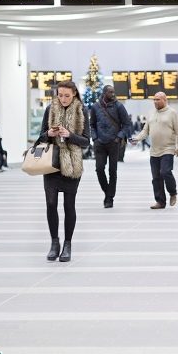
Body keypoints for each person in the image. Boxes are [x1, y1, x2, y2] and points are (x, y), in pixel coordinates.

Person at [38, 80, 91, 263]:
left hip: (72, 163)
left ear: (74, 94)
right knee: (51, 203)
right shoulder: (50, 109)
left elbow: (86, 141)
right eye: (60, 95)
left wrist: (69, 135)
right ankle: (54, 243)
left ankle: (68, 244)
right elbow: (41, 136)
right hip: (51, 162)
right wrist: (49, 135)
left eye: (67, 95)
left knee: (69, 205)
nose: (63, 99)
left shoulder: (81, 111)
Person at [131, 91, 178, 210]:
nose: (155, 101)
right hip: (154, 150)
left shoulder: (172, 113)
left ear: (165, 100)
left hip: (168, 148)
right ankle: (160, 201)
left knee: (165, 172)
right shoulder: (150, 113)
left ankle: (172, 192)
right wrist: (137, 138)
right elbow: (146, 130)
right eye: (154, 99)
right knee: (156, 177)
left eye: (158, 99)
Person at [89, 85, 130, 208]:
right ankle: (107, 192)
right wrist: (95, 138)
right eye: (110, 92)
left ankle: (109, 198)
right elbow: (92, 124)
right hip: (100, 143)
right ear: (104, 93)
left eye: (113, 92)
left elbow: (126, 124)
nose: (112, 95)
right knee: (99, 169)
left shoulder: (119, 106)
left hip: (114, 143)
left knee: (113, 171)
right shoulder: (96, 107)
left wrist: (119, 137)